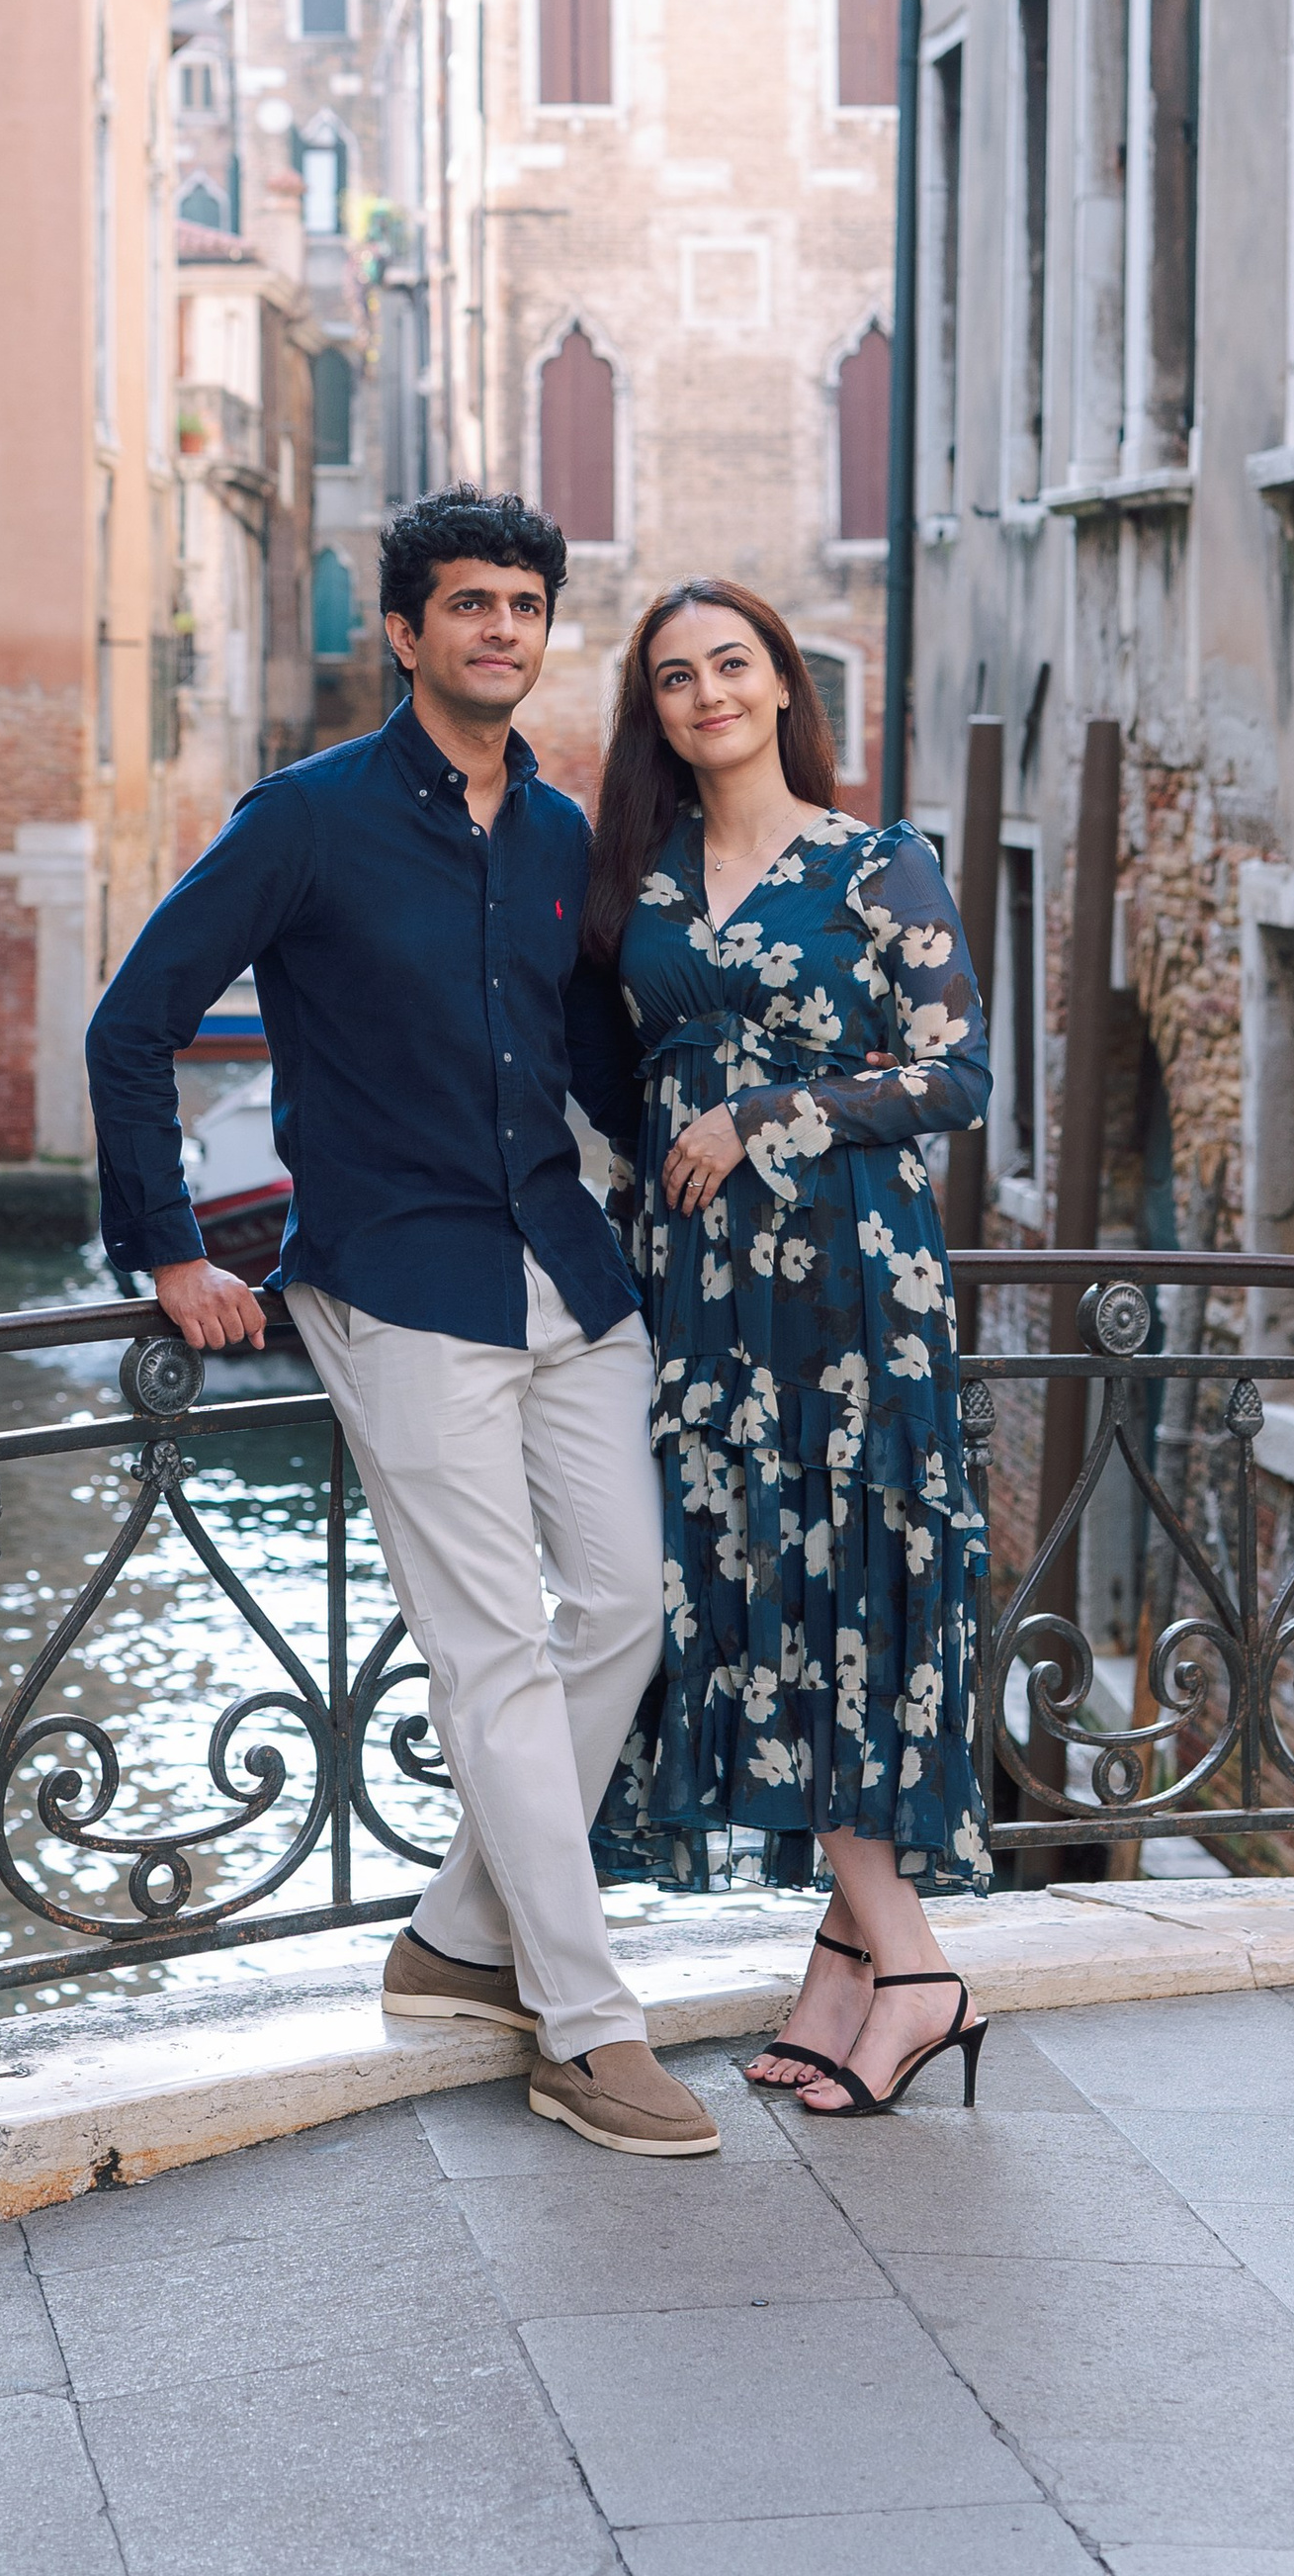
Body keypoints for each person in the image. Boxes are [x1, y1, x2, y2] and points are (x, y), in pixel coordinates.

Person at [85, 489, 715, 2158]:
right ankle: (585, 2026)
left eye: (526, 605)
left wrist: (739, 1147)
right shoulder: (305, 820)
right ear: (407, 631)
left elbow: (597, 1067)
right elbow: (131, 1025)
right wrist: (171, 1257)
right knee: (493, 1647)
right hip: (396, 1281)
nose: (501, 631)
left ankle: (456, 1936)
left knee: (629, 1613)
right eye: (471, 607)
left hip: (569, 1276)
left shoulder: (565, 836)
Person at [582, 579, 994, 2119]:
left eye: (732, 665)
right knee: (753, 1591)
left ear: (781, 685)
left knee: (851, 1595)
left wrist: (763, 1118)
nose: (707, 695)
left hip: (851, 1295)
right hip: (697, 1296)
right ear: (657, 710)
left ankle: (916, 1970)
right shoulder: (641, 875)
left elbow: (961, 1078)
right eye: (676, 676)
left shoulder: (876, 861)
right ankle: (845, 1959)